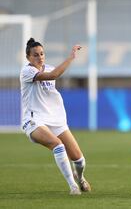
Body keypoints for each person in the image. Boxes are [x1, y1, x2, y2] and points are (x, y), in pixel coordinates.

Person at [20, 38, 91, 195]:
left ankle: (79, 178)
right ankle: (72, 186)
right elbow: (53, 75)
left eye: (42, 54)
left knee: (79, 159)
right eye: (35, 55)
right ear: (28, 58)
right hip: (34, 120)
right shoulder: (27, 71)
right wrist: (71, 57)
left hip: (56, 120)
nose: (40, 57)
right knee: (57, 145)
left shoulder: (49, 67)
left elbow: (52, 77)